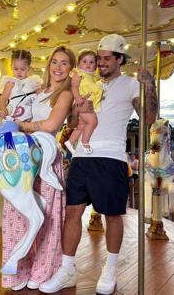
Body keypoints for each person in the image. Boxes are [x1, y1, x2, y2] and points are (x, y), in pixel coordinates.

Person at [39, 34, 158, 294]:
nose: (101, 62)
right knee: (72, 213)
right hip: (82, 156)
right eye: (99, 57)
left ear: (119, 59)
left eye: (106, 58)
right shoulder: (86, 81)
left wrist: (150, 85)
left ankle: (110, 268)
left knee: (112, 216)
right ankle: (67, 268)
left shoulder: (129, 85)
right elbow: (72, 121)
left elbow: (149, 117)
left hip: (111, 157)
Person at [2, 46, 75, 291]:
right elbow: (12, 106)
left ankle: (43, 270)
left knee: (47, 218)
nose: (58, 67)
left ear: (70, 68)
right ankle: (18, 269)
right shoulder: (36, 90)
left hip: (46, 154)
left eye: (64, 63)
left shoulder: (64, 95)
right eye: (55, 61)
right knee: (17, 214)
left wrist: (21, 125)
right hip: (23, 156)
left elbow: (51, 124)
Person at [65, 49, 103, 154]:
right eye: (85, 61)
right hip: (82, 102)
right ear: (79, 64)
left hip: (87, 101)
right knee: (93, 122)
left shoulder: (92, 77)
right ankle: (85, 142)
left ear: (95, 65)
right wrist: (77, 97)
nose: (88, 64)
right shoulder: (79, 74)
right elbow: (74, 86)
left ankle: (70, 142)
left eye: (91, 62)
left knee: (81, 125)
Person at [0, 50, 43, 121]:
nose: (19, 72)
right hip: (13, 117)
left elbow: (41, 95)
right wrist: (3, 109)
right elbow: (3, 98)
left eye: (22, 69)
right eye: (16, 69)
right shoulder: (11, 83)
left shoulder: (33, 82)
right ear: (11, 67)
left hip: (30, 118)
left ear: (28, 68)